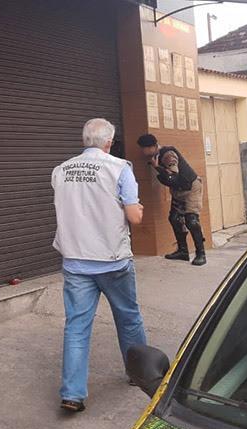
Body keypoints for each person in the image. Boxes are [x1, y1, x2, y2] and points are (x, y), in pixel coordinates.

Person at [52, 118, 148, 413]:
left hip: (75, 261)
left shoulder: (61, 170)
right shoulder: (119, 168)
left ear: (85, 141)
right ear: (109, 142)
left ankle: (72, 394)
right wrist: (137, 208)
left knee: (76, 327)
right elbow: (134, 217)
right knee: (128, 318)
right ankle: (140, 374)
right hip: (112, 260)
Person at [136, 134, 206, 266]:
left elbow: (173, 176)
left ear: (152, 147)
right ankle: (183, 251)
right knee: (174, 218)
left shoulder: (168, 155)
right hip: (178, 190)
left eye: (143, 148)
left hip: (191, 188)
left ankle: (201, 254)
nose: (142, 151)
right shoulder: (156, 156)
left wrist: (157, 167)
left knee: (191, 220)